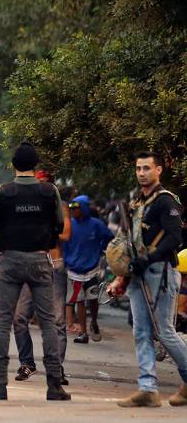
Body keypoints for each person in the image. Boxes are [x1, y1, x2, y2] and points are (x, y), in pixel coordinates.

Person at [0, 141, 69, 401]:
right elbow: (59, 226)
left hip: (10, 262)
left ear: (14, 165)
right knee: (48, 323)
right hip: (41, 261)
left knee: (4, 323)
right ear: (35, 165)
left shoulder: (3, 192)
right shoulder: (49, 191)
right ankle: (54, 385)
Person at [109, 151, 187, 408]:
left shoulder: (166, 201)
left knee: (164, 332)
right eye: (138, 168)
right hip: (138, 273)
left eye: (147, 168)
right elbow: (132, 242)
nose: (142, 173)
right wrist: (121, 276)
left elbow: (174, 238)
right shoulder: (137, 201)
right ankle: (148, 389)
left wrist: (148, 259)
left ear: (159, 170)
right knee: (141, 332)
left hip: (161, 271)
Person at [12, 171, 72, 384]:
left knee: (57, 321)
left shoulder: (61, 206)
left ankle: (57, 368)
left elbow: (65, 234)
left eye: (46, 184)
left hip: (54, 266)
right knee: (19, 317)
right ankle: (27, 363)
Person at [63, 195, 113, 345]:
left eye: (76, 208)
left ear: (83, 208)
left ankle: (94, 323)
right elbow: (65, 243)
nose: (73, 211)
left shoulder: (96, 224)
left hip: (92, 269)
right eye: (71, 209)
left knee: (92, 300)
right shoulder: (70, 224)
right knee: (79, 301)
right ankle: (83, 333)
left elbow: (109, 237)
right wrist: (67, 259)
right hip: (74, 270)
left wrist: (100, 249)